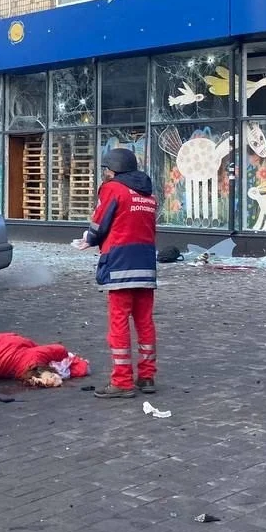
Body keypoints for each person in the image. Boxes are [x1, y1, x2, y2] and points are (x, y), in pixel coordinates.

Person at [74, 148, 158, 398]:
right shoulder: (147, 194)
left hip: (120, 264)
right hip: (145, 264)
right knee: (145, 322)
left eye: (106, 169)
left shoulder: (112, 189)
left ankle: (122, 381)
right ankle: (147, 376)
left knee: (118, 323)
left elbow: (100, 222)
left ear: (113, 169)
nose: (105, 174)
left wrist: (89, 239)